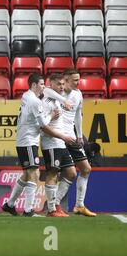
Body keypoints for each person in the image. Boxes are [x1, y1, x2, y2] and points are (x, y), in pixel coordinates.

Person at [2, 73, 75, 217]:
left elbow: (47, 92)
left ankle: (9, 205)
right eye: (41, 84)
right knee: (34, 173)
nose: (44, 87)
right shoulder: (35, 101)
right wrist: (52, 116)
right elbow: (43, 124)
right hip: (28, 140)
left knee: (26, 174)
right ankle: (29, 210)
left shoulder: (26, 96)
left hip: (26, 140)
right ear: (34, 85)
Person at [43, 69, 97, 217]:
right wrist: (63, 100)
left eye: (78, 80)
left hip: (71, 136)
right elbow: (47, 91)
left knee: (85, 169)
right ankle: (53, 206)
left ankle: (78, 205)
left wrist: (79, 135)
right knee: (57, 172)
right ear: (65, 80)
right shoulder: (57, 93)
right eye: (74, 80)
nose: (77, 83)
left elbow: (78, 114)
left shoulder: (77, 94)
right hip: (58, 136)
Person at [40, 74, 78, 217]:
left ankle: (56, 203)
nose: (62, 87)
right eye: (58, 84)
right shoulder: (45, 100)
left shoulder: (56, 100)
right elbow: (43, 127)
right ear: (50, 85)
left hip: (61, 143)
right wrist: (62, 136)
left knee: (71, 173)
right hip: (50, 143)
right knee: (52, 173)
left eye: (63, 84)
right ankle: (51, 210)